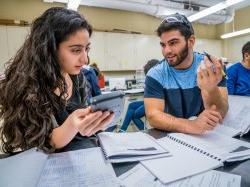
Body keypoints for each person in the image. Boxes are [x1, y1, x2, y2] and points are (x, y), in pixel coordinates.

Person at [0, 7, 114, 154]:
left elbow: (80, 131)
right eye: (76, 50)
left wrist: (94, 122)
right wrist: (72, 124)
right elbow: (42, 144)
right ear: (49, 48)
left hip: (83, 154)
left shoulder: (77, 77)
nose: (85, 59)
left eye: (86, 49)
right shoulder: (27, 86)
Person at [144, 13, 228, 135]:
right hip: (171, 137)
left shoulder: (211, 67)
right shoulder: (155, 74)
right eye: (163, 45)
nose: (167, 50)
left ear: (191, 41)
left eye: (173, 43)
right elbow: (153, 116)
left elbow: (221, 111)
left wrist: (211, 89)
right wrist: (191, 125)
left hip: (206, 136)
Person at [119, 59, 159, 132]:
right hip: (149, 102)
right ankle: (122, 130)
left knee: (134, 115)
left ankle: (124, 130)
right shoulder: (155, 79)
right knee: (131, 105)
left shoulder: (155, 80)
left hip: (153, 104)